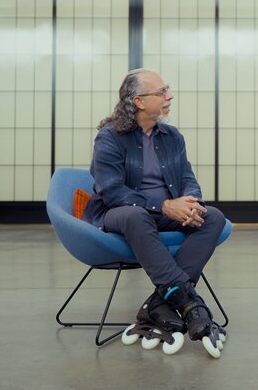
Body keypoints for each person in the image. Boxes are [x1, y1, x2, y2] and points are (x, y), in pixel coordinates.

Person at [83, 68, 227, 355]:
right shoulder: (110, 137)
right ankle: (189, 304)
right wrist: (163, 206)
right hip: (119, 213)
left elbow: (187, 177)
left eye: (167, 90)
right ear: (138, 101)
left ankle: (159, 304)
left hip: (164, 213)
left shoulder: (172, 136)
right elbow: (112, 192)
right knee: (136, 215)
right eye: (161, 92)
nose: (169, 96)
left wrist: (190, 202)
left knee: (213, 217)